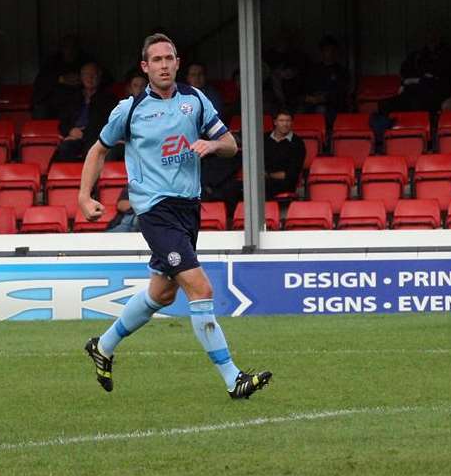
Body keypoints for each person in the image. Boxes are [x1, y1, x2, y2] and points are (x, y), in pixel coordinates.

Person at [79, 33, 272, 399]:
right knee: (201, 288)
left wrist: (213, 144)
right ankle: (234, 379)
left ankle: (102, 346)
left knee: (163, 293)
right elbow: (98, 150)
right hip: (155, 210)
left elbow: (231, 144)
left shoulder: (194, 100)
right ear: (145, 67)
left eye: (169, 58)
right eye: (157, 60)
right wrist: (84, 197)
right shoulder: (129, 109)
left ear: (177, 62)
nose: (164, 65)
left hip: (188, 208)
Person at [53, 62, 118, 161]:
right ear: (81, 77)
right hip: (74, 138)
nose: (90, 78)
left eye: (93, 74)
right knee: (63, 149)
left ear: (99, 76)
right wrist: (70, 131)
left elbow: (107, 124)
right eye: (86, 74)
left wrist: (83, 135)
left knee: (92, 150)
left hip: (95, 138)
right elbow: (63, 122)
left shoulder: (108, 99)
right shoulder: (73, 98)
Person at [300, 35, 351, 125]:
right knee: (298, 112)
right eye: (327, 50)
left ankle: (325, 136)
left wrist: (324, 98)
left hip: (333, 107)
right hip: (312, 104)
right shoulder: (313, 70)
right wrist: (309, 98)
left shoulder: (341, 71)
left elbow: (341, 93)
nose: (330, 53)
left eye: (332, 50)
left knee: (321, 110)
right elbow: (306, 89)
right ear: (322, 52)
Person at [264, 110, 306, 199]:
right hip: (263, 179)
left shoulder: (297, 143)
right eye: (281, 121)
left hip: (286, 183)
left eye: (288, 121)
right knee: (233, 187)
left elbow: (292, 174)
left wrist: (268, 175)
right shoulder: (264, 139)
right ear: (275, 122)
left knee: (263, 187)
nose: (285, 124)